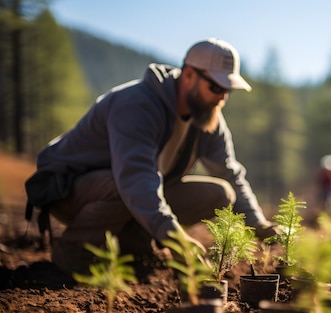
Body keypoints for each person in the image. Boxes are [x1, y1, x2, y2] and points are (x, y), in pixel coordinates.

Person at [24, 38, 277, 278]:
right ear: (188, 75)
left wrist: (259, 224)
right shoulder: (137, 105)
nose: (222, 97)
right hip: (68, 189)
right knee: (128, 186)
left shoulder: (208, 118)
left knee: (221, 194)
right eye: (216, 87)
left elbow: (229, 173)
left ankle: (134, 246)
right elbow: (135, 180)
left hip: (129, 190)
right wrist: (176, 240)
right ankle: (74, 252)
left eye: (228, 90)